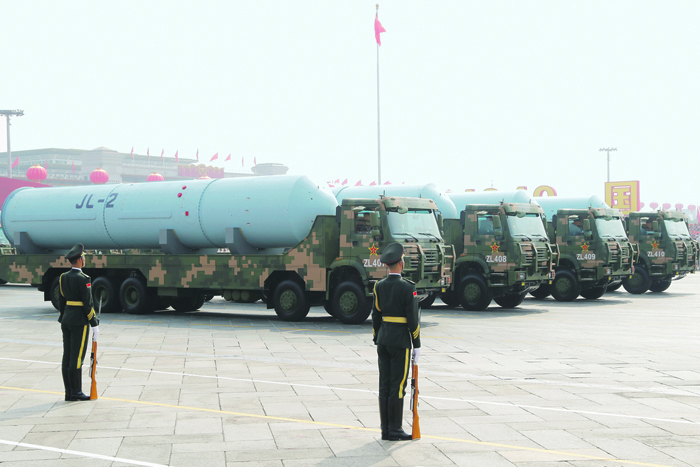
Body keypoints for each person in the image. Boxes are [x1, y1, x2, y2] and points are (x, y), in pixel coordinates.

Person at [371, 242, 421, 441]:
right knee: (398, 385)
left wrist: (377, 337)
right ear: (401, 263)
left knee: (384, 384)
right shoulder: (408, 287)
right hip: (400, 341)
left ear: (387, 265)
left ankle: (385, 429)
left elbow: (376, 314)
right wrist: (416, 344)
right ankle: (395, 429)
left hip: (383, 339)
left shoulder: (379, 286)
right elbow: (412, 319)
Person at [58, 243, 99, 401]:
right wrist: (94, 323)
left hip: (66, 320)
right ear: (80, 260)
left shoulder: (63, 277)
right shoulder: (84, 279)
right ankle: (76, 392)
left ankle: (69, 391)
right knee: (77, 357)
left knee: (67, 356)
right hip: (79, 322)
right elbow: (88, 304)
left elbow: (62, 301)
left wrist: (63, 316)